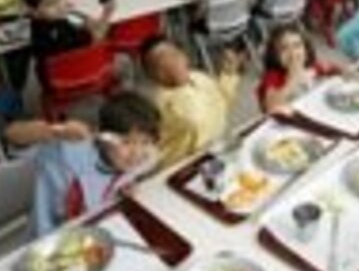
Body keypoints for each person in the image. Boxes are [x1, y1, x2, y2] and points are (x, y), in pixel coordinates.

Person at [31, 91, 160, 236]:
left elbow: (150, 159)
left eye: (145, 142)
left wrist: (127, 184)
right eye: (126, 142)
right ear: (103, 137)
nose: (136, 153)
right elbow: (42, 224)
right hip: (60, 236)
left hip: (103, 226)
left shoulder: (142, 157)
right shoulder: (63, 165)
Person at [140, 36, 242, 168]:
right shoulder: (161, 105)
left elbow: (222, 103)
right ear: (153, 76)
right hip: (186, 167)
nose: (171, 62)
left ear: (184, 56)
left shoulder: (199, 77)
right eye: (161, 62)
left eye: (174, 55)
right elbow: (193, 119)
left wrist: (229, 73)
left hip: (218, 149)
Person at [20, 0, 114, 84]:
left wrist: (73, 13)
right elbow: (99, 34)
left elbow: (82, 22)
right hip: (82, 75)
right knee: (119, 62)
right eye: (49, 4)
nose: (59, 6)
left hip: (54, 82)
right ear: (34, 11)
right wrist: (108, 12)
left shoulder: (35, 26)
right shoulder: (65, 32)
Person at [257, 24, 336, 114]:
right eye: (284, 48)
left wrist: (344, 72)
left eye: (297, 45)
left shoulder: (314, 67)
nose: (292, 53)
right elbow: (270, 107)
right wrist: (293, 80)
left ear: (306, 50)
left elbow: (335, 70)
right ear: (275, 55)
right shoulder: (272, 76)